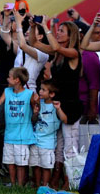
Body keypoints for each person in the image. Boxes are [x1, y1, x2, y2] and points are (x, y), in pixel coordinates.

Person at [33, 19, 82, 189]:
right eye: (58, 30)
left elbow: (54, 47)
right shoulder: (58, 55)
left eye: (62, 31)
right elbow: (34, 43)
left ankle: (71, 181)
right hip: (56, 105)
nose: (58, 32)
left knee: (70, 146)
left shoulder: (74, 53)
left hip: (70, 106)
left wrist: (46, 26)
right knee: (59, 145)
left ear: (71, 36)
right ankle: (56, 178)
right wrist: (34, 26)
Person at [0, 67, 38, 186]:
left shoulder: (29, 94)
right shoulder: (7, 91)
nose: (7, 79)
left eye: (9, 77)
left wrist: (36, 111)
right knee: (10, 161)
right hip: (9, 134)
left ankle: (20, 185)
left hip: (23, 135)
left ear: (17, 80)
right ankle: (13, 183)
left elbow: (35, 113)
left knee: (21, 163)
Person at [31, 79, 67, 188]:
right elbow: (33, 120)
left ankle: (45, 186)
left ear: (51, 94)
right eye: (40, 89)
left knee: (46, 166)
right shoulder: (38, 104)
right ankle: (38, 185)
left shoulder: (55, 106)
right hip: (35, 139)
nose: (40, 92)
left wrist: (59, 109)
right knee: (36, 165)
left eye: (43, 90)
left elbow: (65, 120)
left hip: (48, 142)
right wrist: (35, 113)